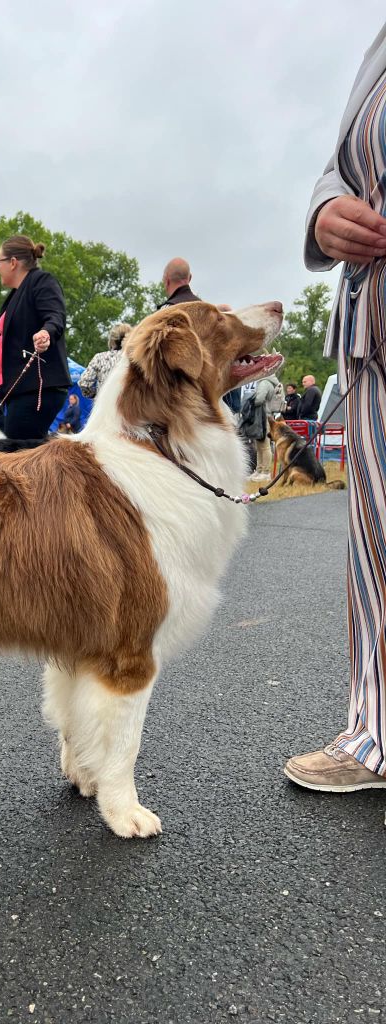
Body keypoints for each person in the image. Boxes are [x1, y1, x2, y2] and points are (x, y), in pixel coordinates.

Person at [284, 22, 386, 795]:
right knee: (374, 542)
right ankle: (376, 728)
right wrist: (325, 214)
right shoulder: (375, 41)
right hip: (372, 331)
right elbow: (338, 168)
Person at [0, 235, 70, 440]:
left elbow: (55, 315)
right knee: (23, 452)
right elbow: (17, 338)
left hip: (36, 388)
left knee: (18, 454)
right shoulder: (15, 294)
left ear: (13, 263)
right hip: (22, 389)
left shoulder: (41, 281)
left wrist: (47, 332)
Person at [78, 323, 131, 398]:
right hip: (128, 405)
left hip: (103, 404)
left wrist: (95, 395)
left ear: (112, 340)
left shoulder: (99, 358)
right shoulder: (134, 359)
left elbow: (84, 383)